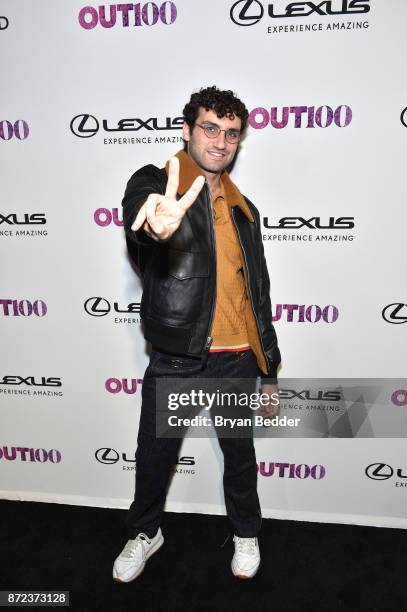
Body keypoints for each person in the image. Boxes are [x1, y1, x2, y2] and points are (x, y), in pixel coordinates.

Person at [113, 86, 281, 583]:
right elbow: (141, 214)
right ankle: (144, 532)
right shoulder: (156, 181)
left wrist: (269, 371)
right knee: (155, 455)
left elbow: (259, 297)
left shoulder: (243, 208)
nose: (220, 141)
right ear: (187, 130)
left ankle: (246, 531)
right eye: (210, 128)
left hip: (237, 360)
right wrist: (153, 225)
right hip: (177, 358)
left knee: (239, 454)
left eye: (231, 133)